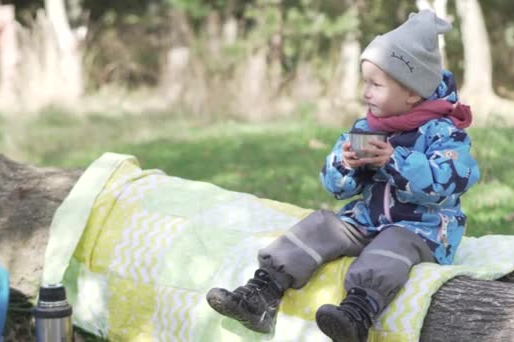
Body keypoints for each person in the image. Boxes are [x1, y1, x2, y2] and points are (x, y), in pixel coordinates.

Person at [206, 9, 480, 342]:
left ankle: (357, 313)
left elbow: (451, 178)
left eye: (375, 85)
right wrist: (346, 164)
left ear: (411, 91)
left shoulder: (445, 131)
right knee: (322, 223)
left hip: (421, 229)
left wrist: (396, 161)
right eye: (366, 83)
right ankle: (261, 295)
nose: (366, 93)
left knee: (392, 244)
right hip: (369, 220)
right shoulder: (368, 127)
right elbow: (335, 187)